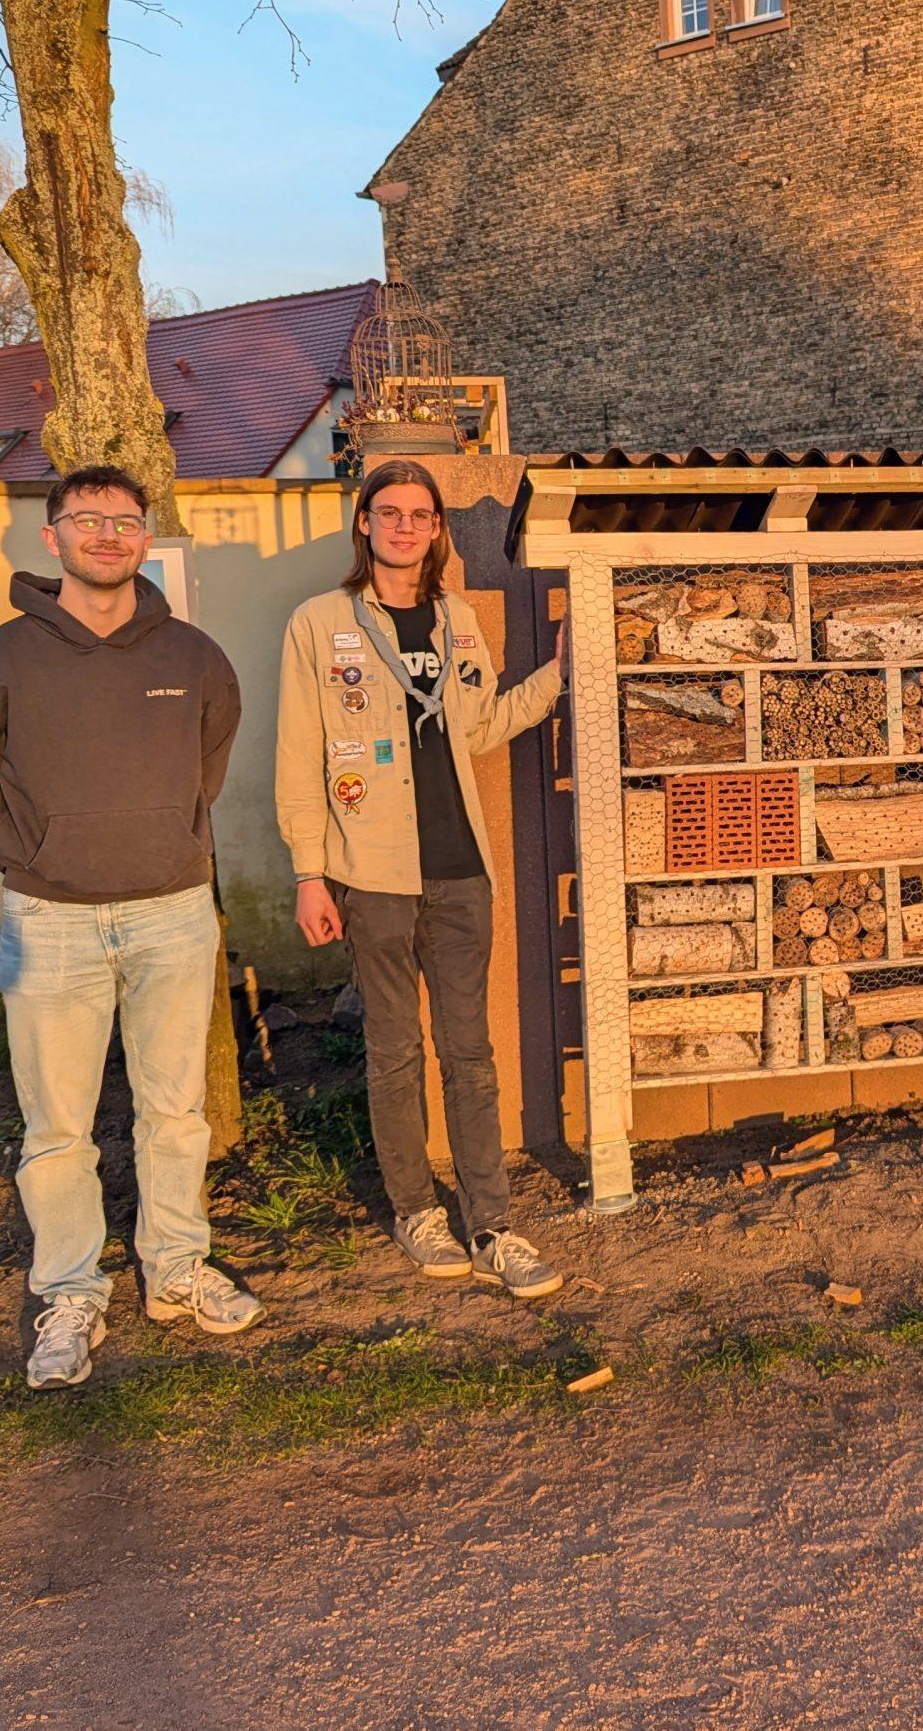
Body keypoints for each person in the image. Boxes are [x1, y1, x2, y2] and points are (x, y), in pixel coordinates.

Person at [0, 464, 263, 1392]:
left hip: (171, 912)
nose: (108, 536)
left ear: (144, 534)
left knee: (175, 1112)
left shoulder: (194, 658)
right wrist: (35, 855)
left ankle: (175, 1271)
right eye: (89, 521)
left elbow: (207, 767)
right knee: (57, 1131)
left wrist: (162, 843)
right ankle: (71, 1293)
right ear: (54, 538)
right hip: (50, 925)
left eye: (125, 522)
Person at [276, 460, 568, 1297]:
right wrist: (309, 874)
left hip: (459, 870)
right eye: (389, 512)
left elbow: (481, 729)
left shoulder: (457, 621)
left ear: (438, 530)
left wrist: (556, 675)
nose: (406, 527)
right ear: (364, 524)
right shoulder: (318, 623)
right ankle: (415, 1210)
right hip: (371, 874)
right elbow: (298, 758)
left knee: (469, 1053)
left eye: (421, 515)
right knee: (394, 1050)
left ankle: (494, 1225)